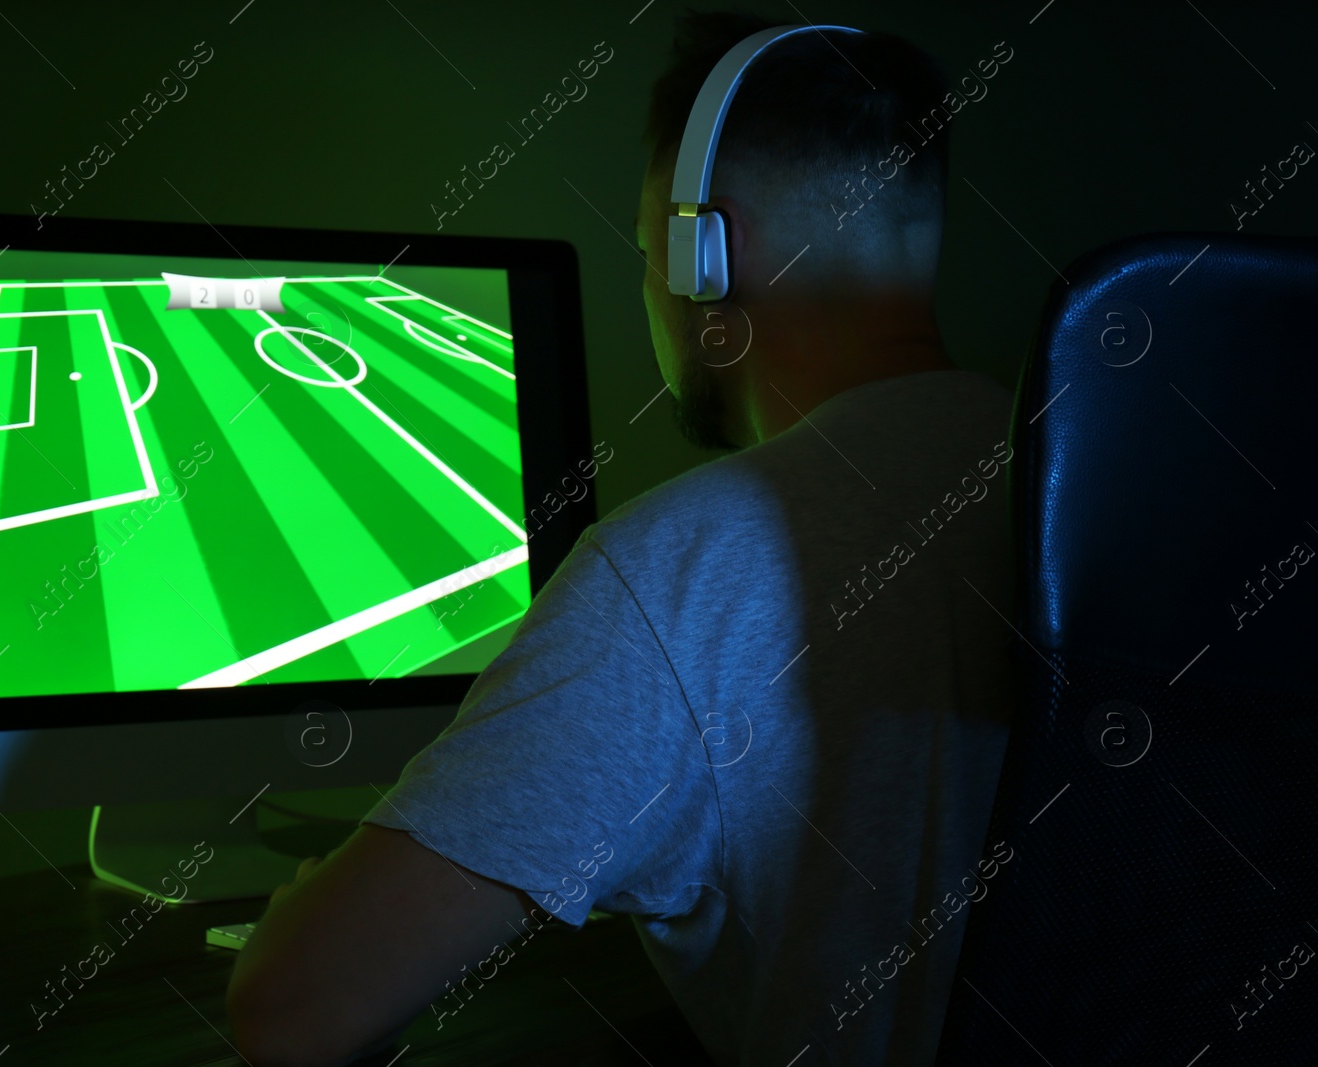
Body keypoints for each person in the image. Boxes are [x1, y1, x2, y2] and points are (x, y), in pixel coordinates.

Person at [226, 13, 1015, 1066]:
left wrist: (289, 915)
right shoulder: (1101, 481)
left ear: (703, 255)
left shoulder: (677, 570)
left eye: (650, 251)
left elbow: (299, 1009)